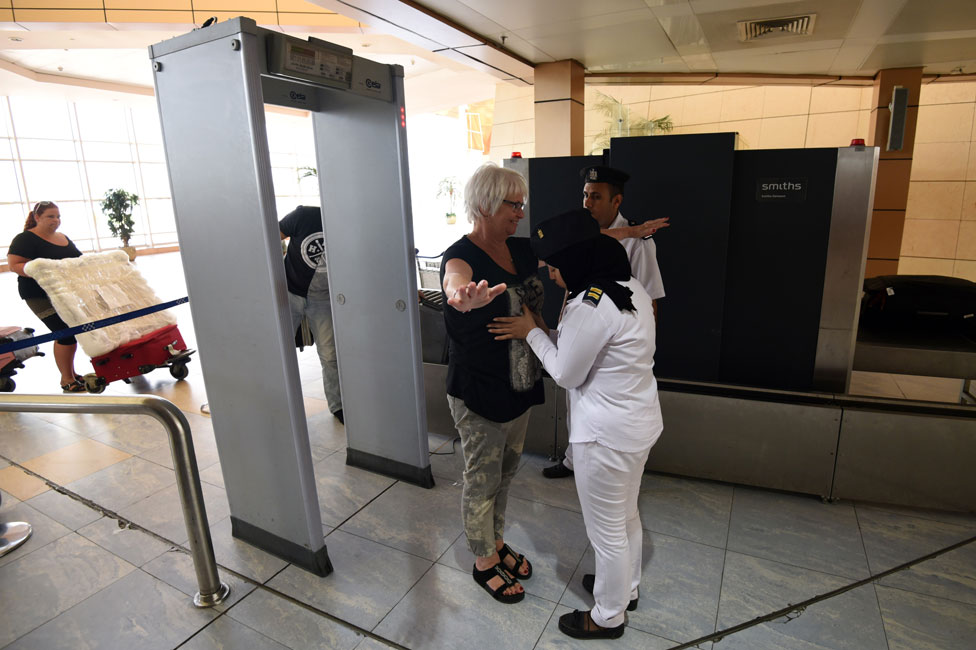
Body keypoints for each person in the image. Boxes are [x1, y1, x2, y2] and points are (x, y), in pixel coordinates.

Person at [488, 208, 663, 639]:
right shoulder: (628, 288)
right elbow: (581, 350)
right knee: (626, 518)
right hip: (637, 424)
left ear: (577, 259)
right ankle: (626, 589)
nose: (549, 273)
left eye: (553, 265)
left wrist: (530, 331)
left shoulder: (592, 304)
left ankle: (607, 616)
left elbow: (566, 373)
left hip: (604, 437)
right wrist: (546, 329)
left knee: (606, 534)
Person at [440, 162, 544, 604]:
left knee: (505, 473)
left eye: (522, 205)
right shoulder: (460, 256)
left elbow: (580, 247)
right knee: (481, 478)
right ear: (485, 204)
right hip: (478, 389)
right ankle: (484, 561)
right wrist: (464, 299)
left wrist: (629, 235)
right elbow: (454, 283)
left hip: (518, 383)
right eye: (512, 205)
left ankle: (496, 541)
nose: (520, 213)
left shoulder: (519, 251)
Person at [543, 164, 667, 479]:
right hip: (581, 332)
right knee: (576, 399)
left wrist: (643, 349)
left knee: (605, 406)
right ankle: (573, 459)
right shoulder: (580, 237)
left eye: (596, 197)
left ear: (616, 202)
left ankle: (613, 465)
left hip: (615, 342)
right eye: (585, 195)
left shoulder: (638, 243)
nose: (588, 203)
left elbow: (649, 297)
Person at [6, 201, 85, 392]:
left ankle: (72, 373)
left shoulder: (63, 238)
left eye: (58, 216)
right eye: (51, 216)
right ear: (37, 217)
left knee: (71, 332)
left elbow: (79, 260)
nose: (56, 220)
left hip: (63, 292)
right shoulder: (25, 239)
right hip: (37, 294)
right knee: (63, 331)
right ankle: (66, 379)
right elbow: (14, 264)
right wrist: (39, 272)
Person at [279, 205, 343, 423]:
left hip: (323, 298)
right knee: (278, 350)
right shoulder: (303, 215)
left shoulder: (351, 225)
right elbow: (271, 235)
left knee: (330, 354)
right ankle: (277, 403)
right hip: (289, 292)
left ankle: (338, 405)